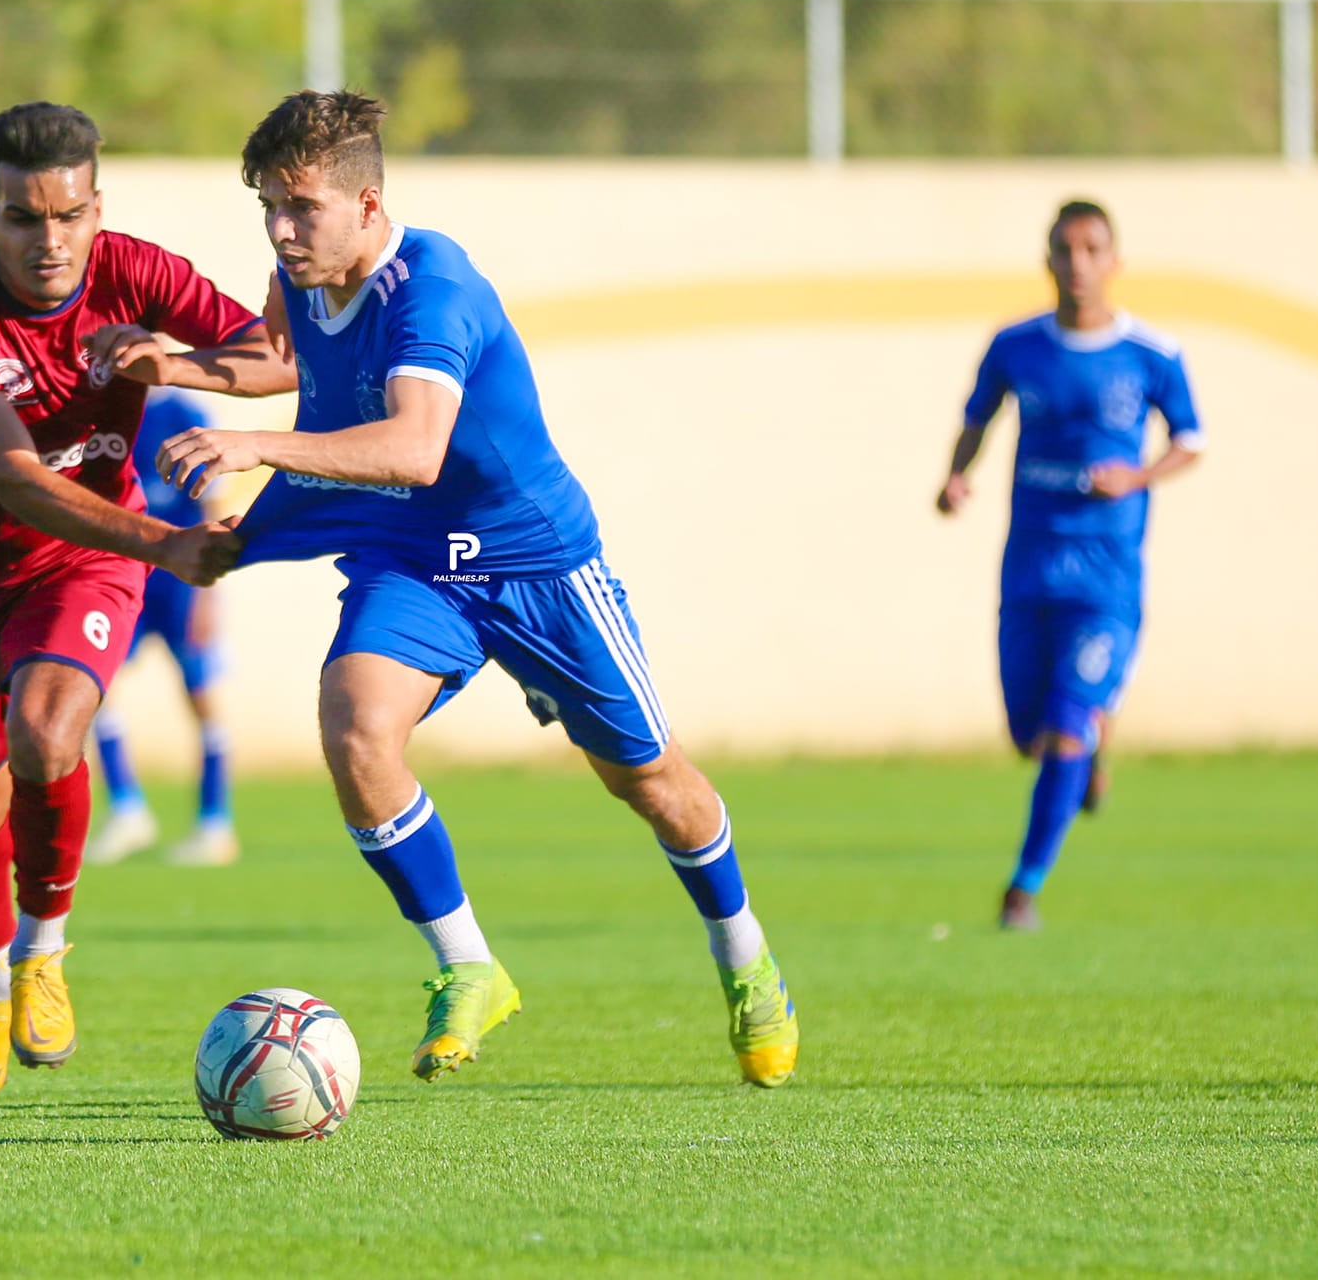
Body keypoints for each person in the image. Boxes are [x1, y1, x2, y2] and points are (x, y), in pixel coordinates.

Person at [93, 90, 798, 1089]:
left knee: (648, 782)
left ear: (368, 205)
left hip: (534, 560)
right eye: (268, 207)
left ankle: (745, 958)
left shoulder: (435, 290)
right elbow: (279, 359)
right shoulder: (299, 275)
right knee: (355, 729)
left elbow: (414, 446)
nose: (281, 230)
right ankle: (468, 964)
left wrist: (253, 445)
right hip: (414, 553)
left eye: (300, 208)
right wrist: (175, 363)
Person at [0, 102, 264, 1102]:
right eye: (22, 218)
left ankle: (43, 951)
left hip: (82, 558)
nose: (48, 241)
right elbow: (13, 478)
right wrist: (169, 546)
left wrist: (172, 364)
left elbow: (272, 354)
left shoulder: (136, 271)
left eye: (68, 215)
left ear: (97, 207)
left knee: (48, 729)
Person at [937, 199, 1204, 931]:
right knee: (1029, 734)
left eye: (1092, 249)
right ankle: (1091, 751)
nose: (1078, 263)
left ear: (1115, 261)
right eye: (1065, 249)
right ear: (1047, 260)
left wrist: (1139, 476)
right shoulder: (1016, 345)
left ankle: (1022, 890)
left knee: (1064, 728)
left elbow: (1192, 439)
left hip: (1105, 578)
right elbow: (977, 418)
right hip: (1030, 565)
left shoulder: (1151, 352)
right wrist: (956, 476)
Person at [85, 386, 240, 868]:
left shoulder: (184, 411)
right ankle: (127, 809)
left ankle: (215, 821)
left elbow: (214, 506)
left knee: (202, 695)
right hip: (127, 572)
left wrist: (209, 594)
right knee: (97, 690)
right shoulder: (105, 409)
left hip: (182, 581)